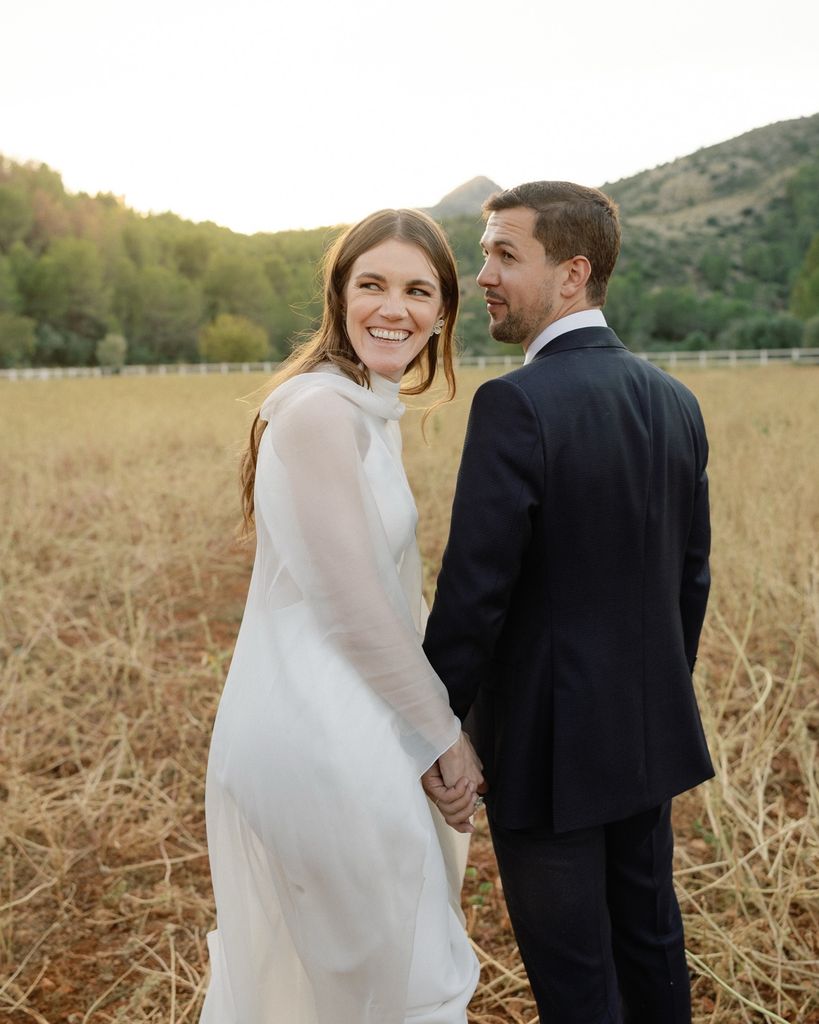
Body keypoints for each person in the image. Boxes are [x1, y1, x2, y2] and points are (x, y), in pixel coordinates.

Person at [421, 181, 714, 1024]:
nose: (481, 273)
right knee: (652, 946)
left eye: (504, 254)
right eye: (484, 253)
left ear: (572, 273)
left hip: (546, 754)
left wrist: (438, 729)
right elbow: (688, 581)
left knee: (576, 983)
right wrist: (649, 696)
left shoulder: (514, 403)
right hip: (645, 734)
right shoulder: (675, 400)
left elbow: (476, 595)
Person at [200, 208, 483, 1024]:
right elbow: (356, 610)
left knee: (342, 992)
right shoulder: (320, 413)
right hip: (322, 737)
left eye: (416, 290)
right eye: (372, 285)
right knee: (412, 985)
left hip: (348, 721)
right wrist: (443, 735)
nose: (393, 308)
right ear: (339, 295)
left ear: (441, 314)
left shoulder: (363, 410)